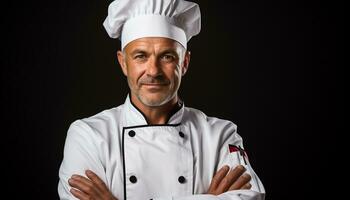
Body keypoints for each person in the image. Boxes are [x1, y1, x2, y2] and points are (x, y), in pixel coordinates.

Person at [57, 0, 265, 199]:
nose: (154, 71)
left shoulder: (220, 135)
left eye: (167, 56)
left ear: (184, 63)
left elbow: (250, 197)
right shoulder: (88, 135)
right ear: (123, 63)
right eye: (140, 56)